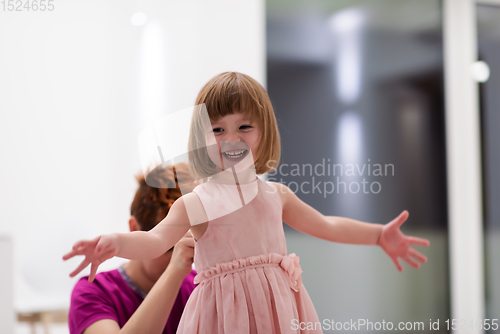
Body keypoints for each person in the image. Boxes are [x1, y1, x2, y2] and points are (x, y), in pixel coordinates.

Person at [64, 72, 430, 334]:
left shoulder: (275, 196)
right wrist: (115, 243)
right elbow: (156, 240)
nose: (230, 139)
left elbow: (327, 225)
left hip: (279, 313)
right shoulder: (198, 203)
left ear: (264, 131)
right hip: (222, 318)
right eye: (217, 129)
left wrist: (379, 235)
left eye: (244, 127)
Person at [67, 164, 197, 334]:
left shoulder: (198, 286)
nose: (182, 258)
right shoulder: (92, 293)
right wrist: (174, 272)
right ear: (135, 228)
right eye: (169, 249)